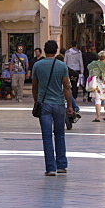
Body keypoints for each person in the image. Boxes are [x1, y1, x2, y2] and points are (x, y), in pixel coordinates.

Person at [31, 40, 74, 176]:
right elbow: (66, 87)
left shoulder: (37, 65)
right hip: (59, 104)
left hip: (44, 104)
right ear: (56, 51)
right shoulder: (62, 66)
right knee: (60, 134)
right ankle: (61, 165)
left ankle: (50, 168)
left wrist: (36, 101)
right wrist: (70, 105)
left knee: (47, 136)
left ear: (44, 50)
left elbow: (34, 87)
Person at [88, 50, 105, 122]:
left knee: (97, 99)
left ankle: (98, 117)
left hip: (97, 82)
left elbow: (89, 67)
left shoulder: (94, 64)